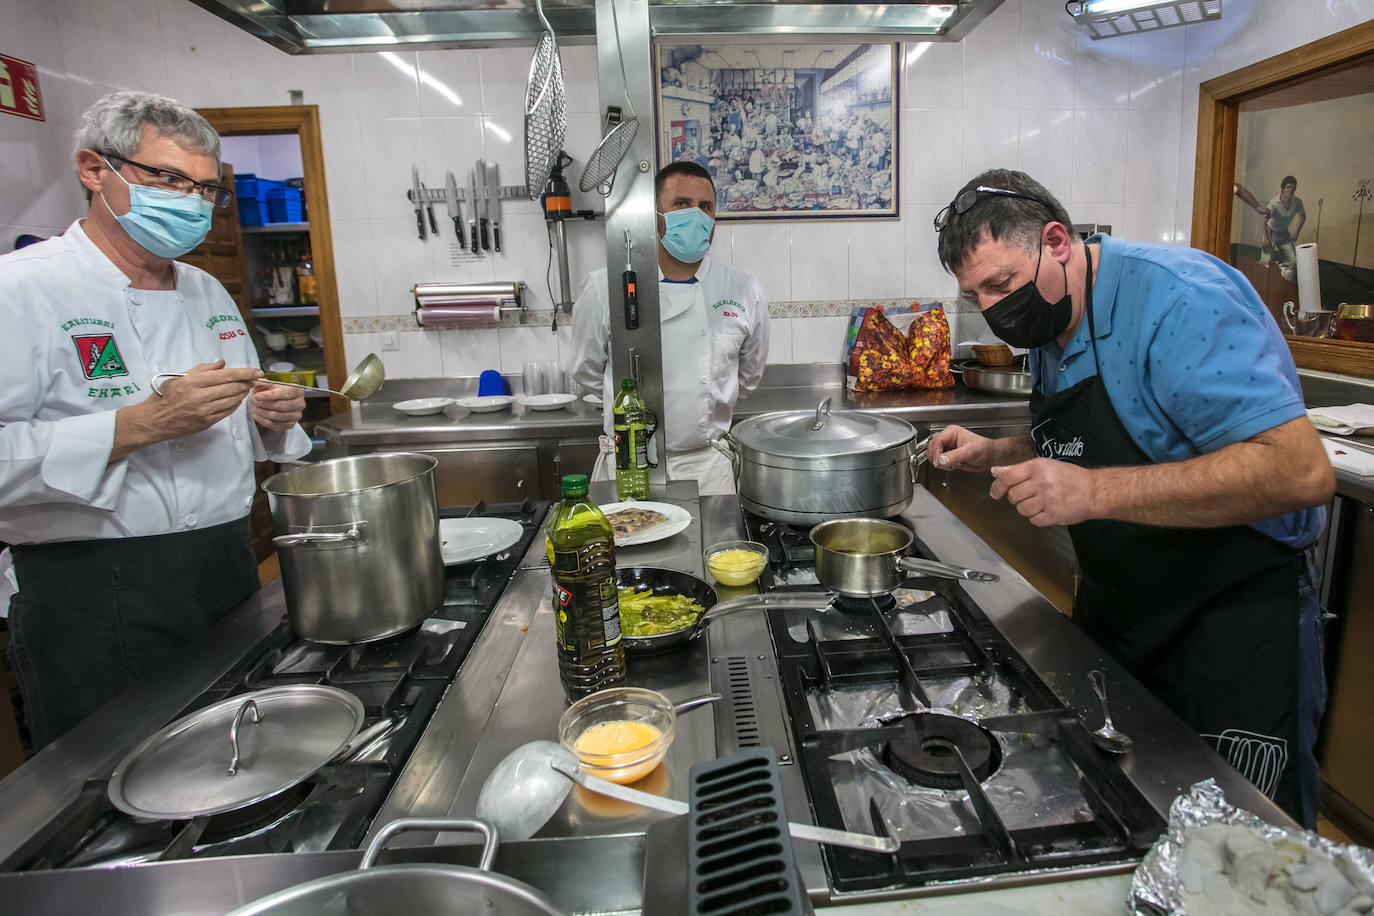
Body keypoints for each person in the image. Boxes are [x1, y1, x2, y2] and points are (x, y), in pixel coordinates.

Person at [927, 169, 1333, 827]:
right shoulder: (1054, 317)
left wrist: (1094, 492)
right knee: (1127, 808)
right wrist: (1000, 452)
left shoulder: (1178, 299)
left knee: (1249, 843)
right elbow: (1100, 438)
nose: (995, 307)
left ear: (1057, 241)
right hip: (1121, 613)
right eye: (976, 295)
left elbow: (1296, 473)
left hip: (1229, 627)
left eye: (1000, 284)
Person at [0, 91, 311, 750]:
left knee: (235, 755)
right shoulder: (21, 291)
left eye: (205, 189)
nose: (192, 203)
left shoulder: (205, 290)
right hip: (92, 590)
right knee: (108, 786)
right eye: (169, 179)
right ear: (94, 170)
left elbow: (248, 420)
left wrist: (270, 417)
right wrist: (141, 424)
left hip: (225, 570)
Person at [566, 162, 769, 495]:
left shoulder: (743, 289)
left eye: (706, 207)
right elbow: (584, 368)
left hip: (707, 466)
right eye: (681, 204)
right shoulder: (605, 286)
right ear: (654, 215)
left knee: (715, 548)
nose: (696, 215)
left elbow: (748, 376)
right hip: (630, 461)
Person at [1264, 175, 1306, 282]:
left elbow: (1302, 216)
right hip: (1270, 232)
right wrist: (1266, 239)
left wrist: (1296, 232)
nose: (1290, 190)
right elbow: (1263, 220)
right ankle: (1265, 284)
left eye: (1292, 188)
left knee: (1292, 261)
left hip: (1284, 234)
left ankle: (1284, 285)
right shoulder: (1273, 203)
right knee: (1266, 261)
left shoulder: (1297, 202)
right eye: (1288, 187)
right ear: (1282, 189)